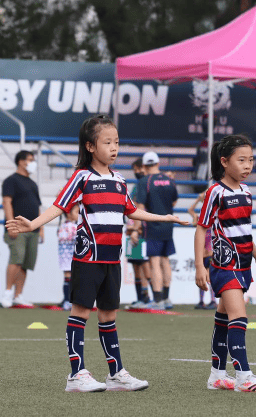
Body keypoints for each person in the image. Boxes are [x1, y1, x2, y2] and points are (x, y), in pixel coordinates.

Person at [5, 114, 188, 392]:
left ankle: (115, 374)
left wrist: (165, 218)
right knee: (80, 313)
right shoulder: (82, 176)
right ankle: (76, 375)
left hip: (112, 260)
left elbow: (131, 210)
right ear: (90, 146)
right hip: (87, 259)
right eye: (107, 142)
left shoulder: (119, 179)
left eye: (116, 142)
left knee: (109, 315)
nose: (114, 148)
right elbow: (58, 206)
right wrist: (32, 224)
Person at [195, 134, 256, 393]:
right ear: (224, 162)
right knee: (238, 317)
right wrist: (200, 265)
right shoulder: (215, 192)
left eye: (251, 160)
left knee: (222, 318)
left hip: (243, 264)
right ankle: (243, 376)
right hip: (224, 264)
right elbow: (201, 230)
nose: (248, 165)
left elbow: (244, 231)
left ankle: (217, 375)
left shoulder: (247, 192)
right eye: (241, 160)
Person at [136, 151, 178, 310]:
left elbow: (140, 207)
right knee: (165, 260)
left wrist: (136, 227)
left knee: (154, 262)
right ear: (158, 164)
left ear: (145, 166)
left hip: (152, 225)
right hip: (168, 225)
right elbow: (174, 201)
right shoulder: (169, 181)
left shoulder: (144, 181)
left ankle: (158, 299)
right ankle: (166, 299)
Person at [1, 150, 43, 308]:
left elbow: (37, 207)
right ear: (20, 161)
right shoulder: (11, 181)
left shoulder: (33, 184)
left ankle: (18, 296)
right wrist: (12, 224)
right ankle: (7, 294)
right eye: (30, 159)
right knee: (16, 259)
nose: (32, 163)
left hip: (33, 230)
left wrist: (41, 228)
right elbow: (7, 202)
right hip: (17, 229)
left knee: (26, 263)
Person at [126, 158, 151, 308]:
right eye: (135, 169)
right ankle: (140, 297)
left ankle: (148, 297)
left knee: (145, 265)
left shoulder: (146, 184)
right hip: (132, 229)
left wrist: (137, 228)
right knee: (135, 265)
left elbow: (141, 209)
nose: (137, 172)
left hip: (142, 230)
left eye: (139, 168)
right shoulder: (136, 186)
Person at [189, 191, 216, 310]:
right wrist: (198, 199)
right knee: (201, 278)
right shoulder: (199, 218)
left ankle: (213, 300)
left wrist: (207, 200)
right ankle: (201, 301)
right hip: (202, 254)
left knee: (209, 278)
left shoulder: (211, 216)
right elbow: (190, 210)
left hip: (210, 253)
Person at [57, 205, 80, 311]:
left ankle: (67, 300)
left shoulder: (62, 226)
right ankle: (68, 301)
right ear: (68, 213)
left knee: (67, 277)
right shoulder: (72, 227)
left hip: (64, 255)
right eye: (76, 212)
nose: (78, 215)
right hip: (70, 255)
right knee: (70, 277)